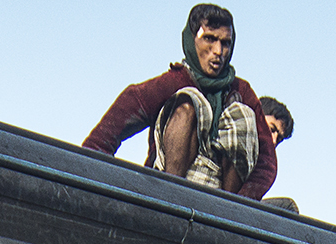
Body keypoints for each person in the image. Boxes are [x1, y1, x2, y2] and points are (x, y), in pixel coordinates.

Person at [83, 5, 278, 199]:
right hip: (171, 186)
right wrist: (87, 176)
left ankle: (224, 207)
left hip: (223, 200)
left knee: (242, 116)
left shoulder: (241, 91)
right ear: (192, 39)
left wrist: (241, 204)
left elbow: (266, 162)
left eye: (225, 43)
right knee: (188, 103)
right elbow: (105, 135)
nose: (218, 51)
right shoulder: (172, 83)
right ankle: (169, 199)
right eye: (209, 39)